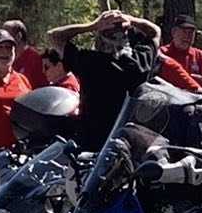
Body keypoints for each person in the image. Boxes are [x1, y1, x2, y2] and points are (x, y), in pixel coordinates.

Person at [45, 10, 161, 150]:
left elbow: (53, 35)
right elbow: (155, 32)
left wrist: (92, 25)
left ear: (99, 38)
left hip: (90, 146)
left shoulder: (89, 62)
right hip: (126, 144)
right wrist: (130, 19)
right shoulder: (139, 63)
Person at [162, 14, 202, 96]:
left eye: (191, 33)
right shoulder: (163, 53)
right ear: (173, 32)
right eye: (184, 32)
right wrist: (195, 80)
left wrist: (185, 79)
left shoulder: (200, 56)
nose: (187, 36)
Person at [4, 19, 47, 89]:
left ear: (18, 36)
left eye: (7, 36)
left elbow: (42, 86)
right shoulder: (6, 58)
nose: (3, 39)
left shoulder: (34, 58)